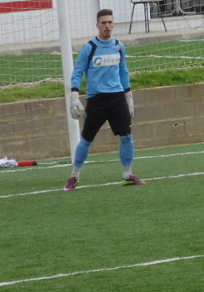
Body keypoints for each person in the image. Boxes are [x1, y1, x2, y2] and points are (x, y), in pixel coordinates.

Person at [64, 9, 145, 191]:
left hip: (118, 99)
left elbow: (123, 72)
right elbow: (78, 72)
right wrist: (74, 95)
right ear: (97, 25)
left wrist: (128, 96)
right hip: (97, 100)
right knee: (86, 139)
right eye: (103, 23)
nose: (107, 26)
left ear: (113, 24)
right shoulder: (89, 48)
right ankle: (74, 176)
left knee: (126, 137)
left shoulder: (119, 46)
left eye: (110, 22)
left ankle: (127, 175)